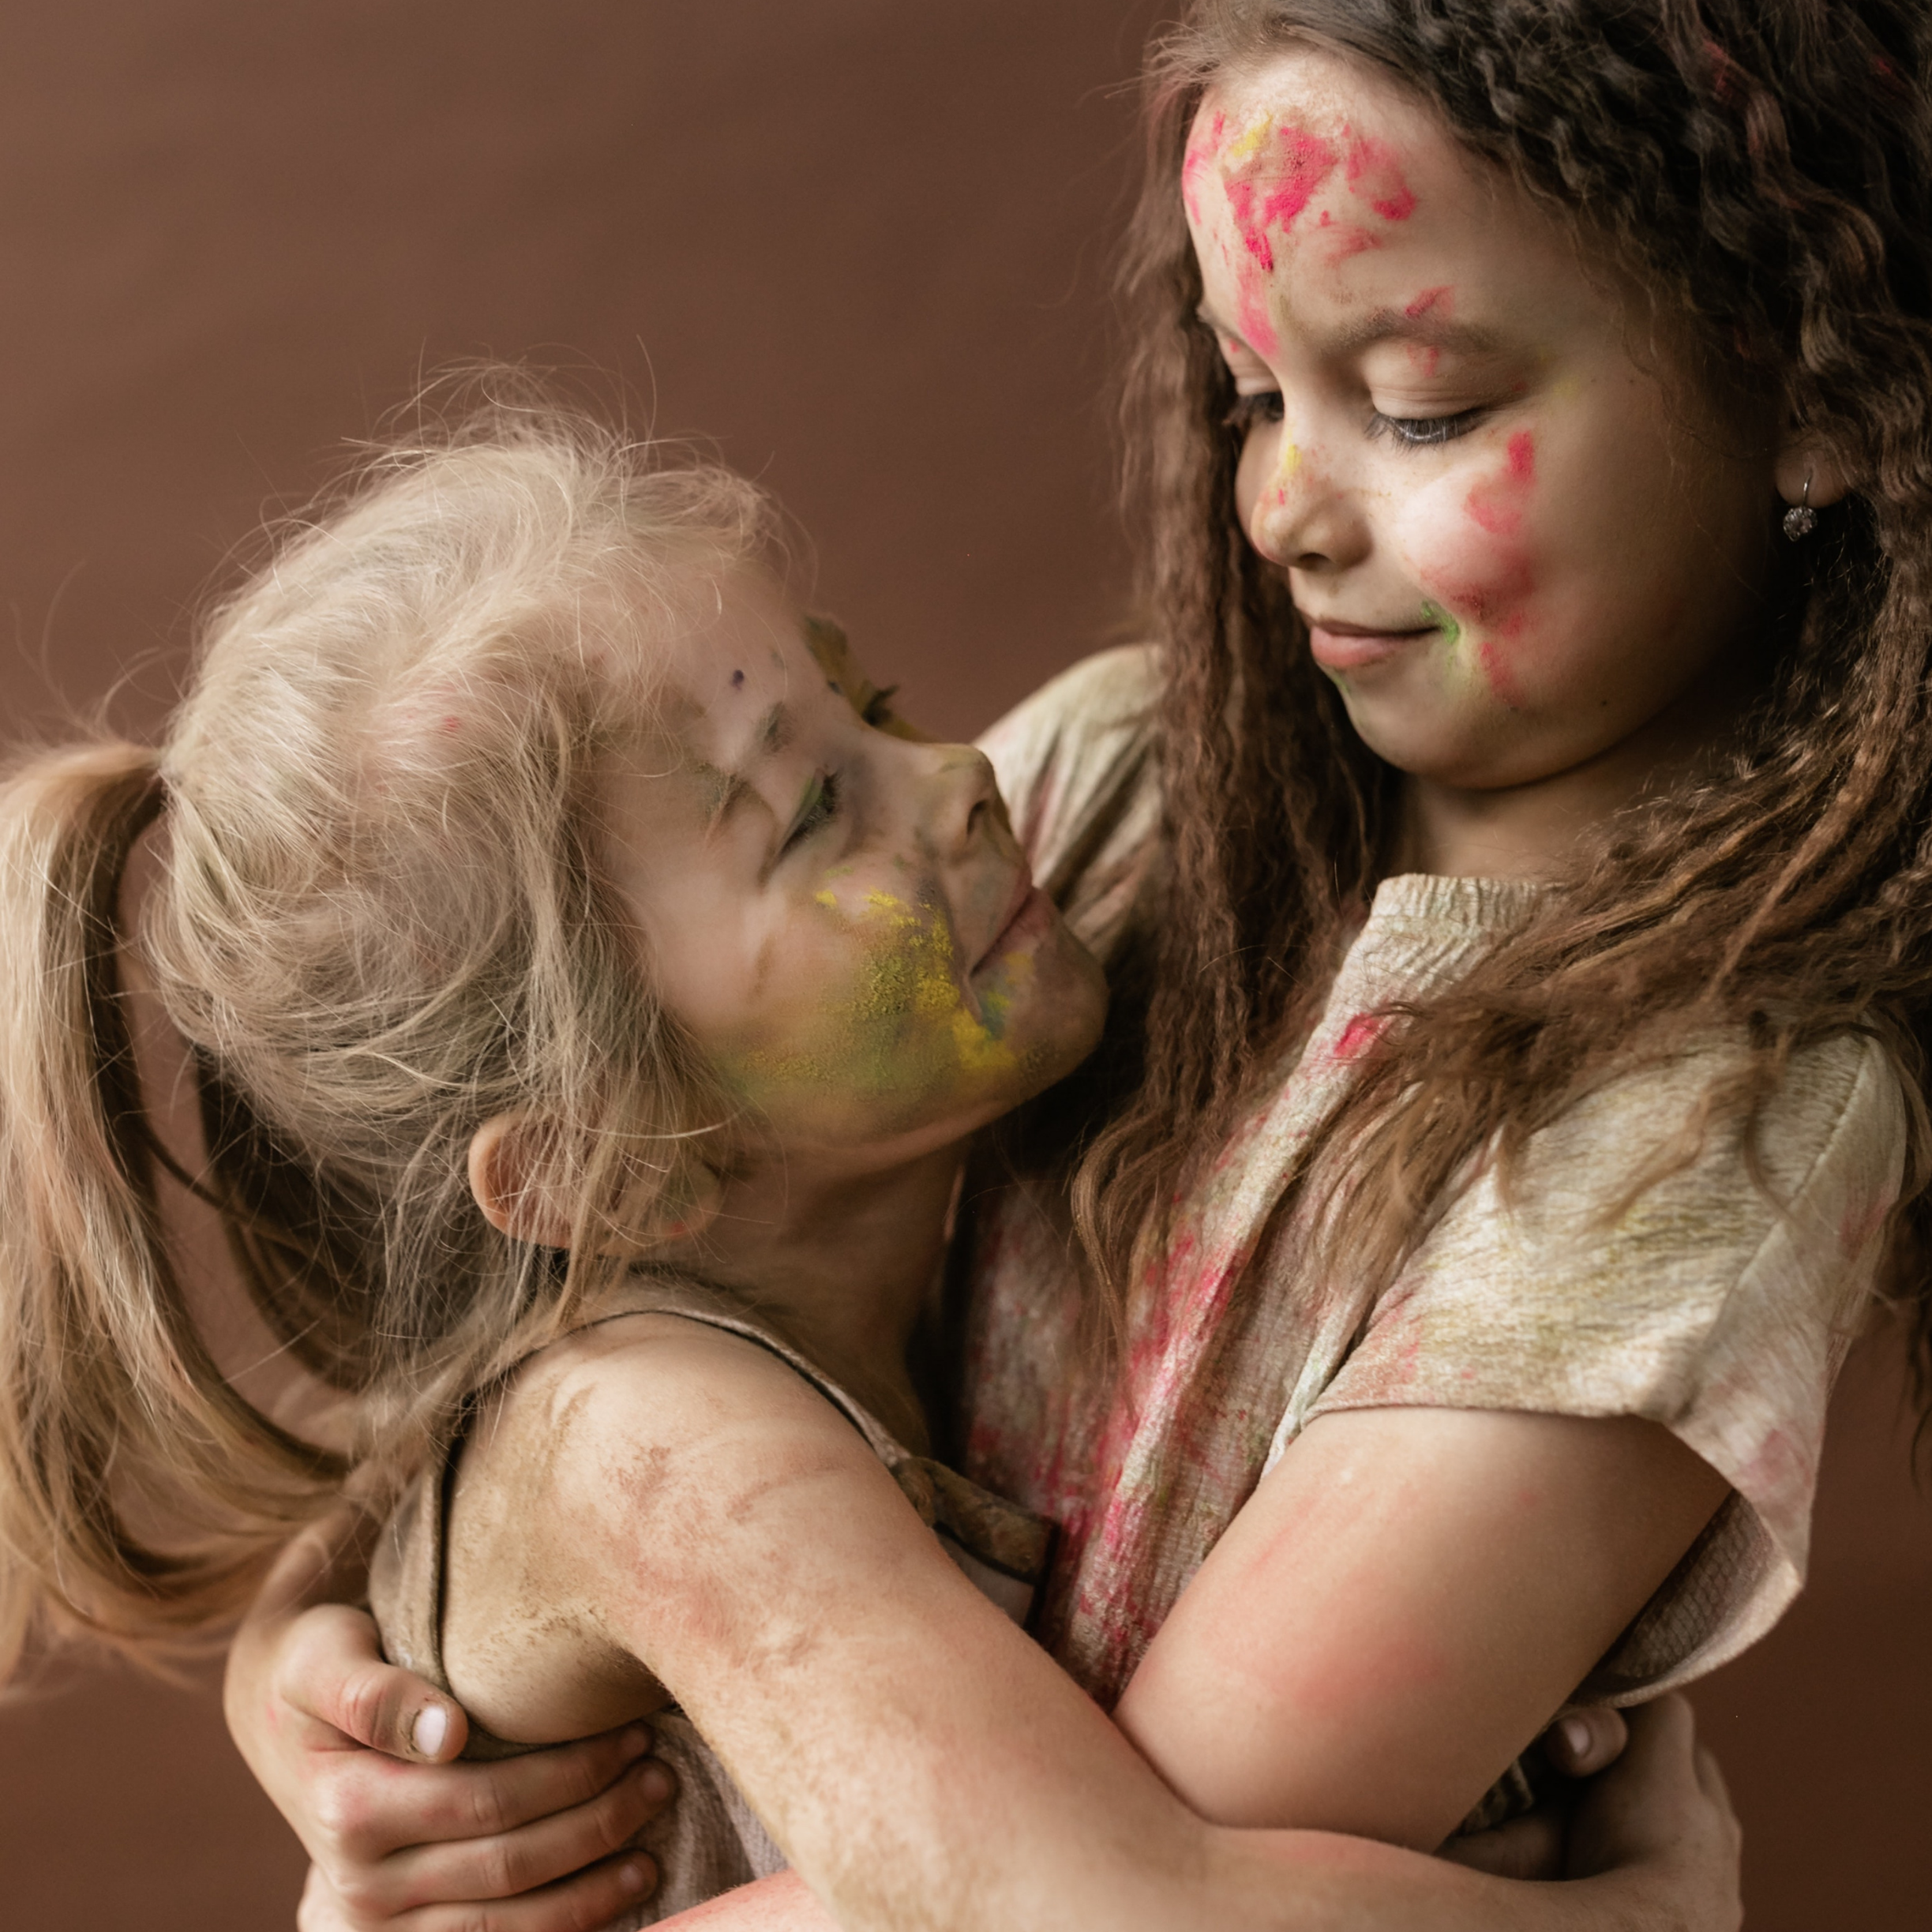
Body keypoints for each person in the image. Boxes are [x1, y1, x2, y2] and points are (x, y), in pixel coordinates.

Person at [165, 0, 1932, 1919]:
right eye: (1248, 390)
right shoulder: (1118, 789)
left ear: (1818, 387)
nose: (1278, 506)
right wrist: (317, 1661)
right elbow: (568, 1260)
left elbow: (1098, 1882)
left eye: (1417, 404)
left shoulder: (1696, 1128)